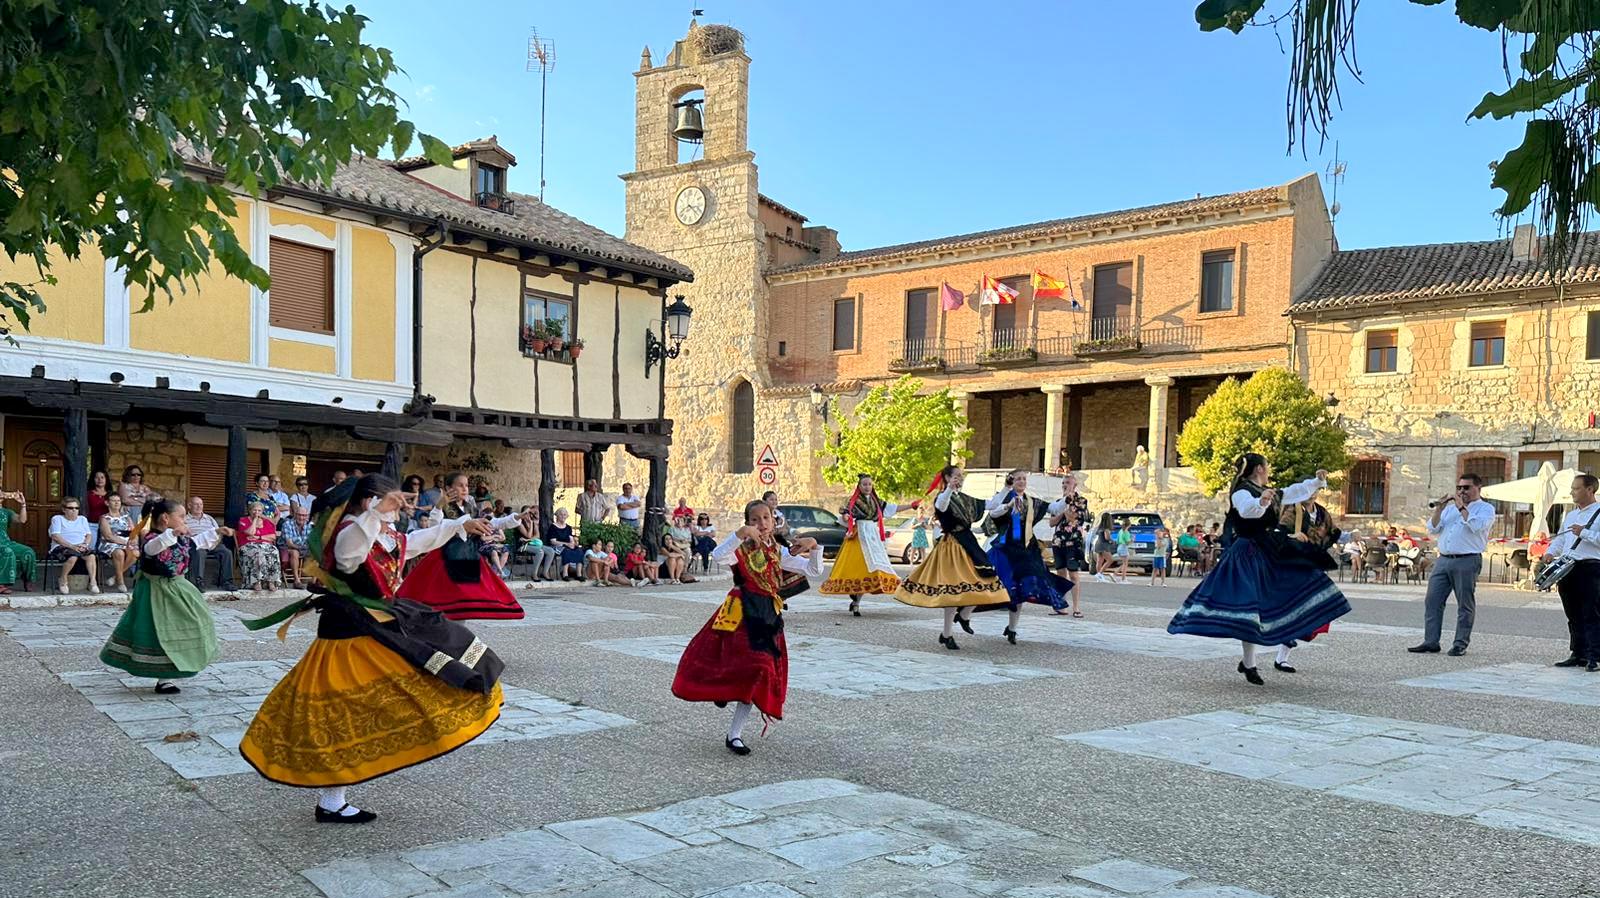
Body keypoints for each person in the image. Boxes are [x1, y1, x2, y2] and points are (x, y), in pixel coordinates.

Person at [238, 474, 504, 824]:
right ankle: (332, 801)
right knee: (344, 713)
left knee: (442, 648)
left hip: (375, 624)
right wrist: (375, 513)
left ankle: (333, 799)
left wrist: (459, 525)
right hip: (348, 633)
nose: (398, 507)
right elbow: (349, 558)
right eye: (391, 501)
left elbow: (413, 542)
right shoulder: (349, 531)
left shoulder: (382, 531)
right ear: (369, 502)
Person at [1168, 455, 1350, 685]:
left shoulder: (1269, 490)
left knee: (1299, 581)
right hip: (1246, 554)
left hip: (1267, 550)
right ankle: (1250, 664)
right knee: (1248, 610)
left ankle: (1277, 643)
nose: (1269, 469)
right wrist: (1261, 502)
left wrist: (1316, 481)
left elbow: (1294, 492)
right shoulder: (1242, 491)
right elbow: (1246, 511)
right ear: (1260, 469)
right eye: (1268, 466)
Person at [671, 499, 822, 756]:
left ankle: (734, 734)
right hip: (739, 613)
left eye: (766, 518)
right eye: (755, 520)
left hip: (766, 616)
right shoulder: (740, 548)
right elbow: (718, 555)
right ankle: (724, 691)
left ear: (774, 521)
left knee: (759, 670)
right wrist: (740, 534)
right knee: (729, 664)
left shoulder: (779, 551)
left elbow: (814, 571)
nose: (762, 524)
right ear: (748, 523)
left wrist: (815, 546)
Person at [99, 498, 224, 695]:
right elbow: (153, 548)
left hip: (178, 587)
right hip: (155, 591)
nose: (184, 520)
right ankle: (163, 678)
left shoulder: (181, 537)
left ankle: (171, 673)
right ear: (166, 518)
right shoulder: (151, 538)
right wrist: (171, 534)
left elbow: (195, 543)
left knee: (190, 623)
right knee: (160, 631)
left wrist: (216, 531)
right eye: (181, 516)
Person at [893, 466, 1008, 650]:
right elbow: (941, 506)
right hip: (951, 546)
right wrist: (948, 488)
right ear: (947, 478)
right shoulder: (942, 497)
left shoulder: (965, 499)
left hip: (969, 544)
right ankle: (947, 634)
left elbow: (991, 504)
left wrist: (1007, 489)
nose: (959, 479)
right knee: (952, 591)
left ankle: (963, 616)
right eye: (955, 476)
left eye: (960, 477)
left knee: (987, 581)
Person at [401, 471, 523, 620]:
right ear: (448, 488)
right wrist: (439, 506)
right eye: (460, 485)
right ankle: (449, 636)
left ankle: (456, 636)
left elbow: (490, 522)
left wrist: (514, 518)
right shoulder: (444, 507)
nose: (465, 489)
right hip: (447, 557)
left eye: (466, 485)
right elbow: (434, 527)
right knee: (446, 601)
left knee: (464, 603)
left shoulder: (470, 508)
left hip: (467, 555)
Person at [1408, 472, 1497, 657]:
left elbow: (1475, 526)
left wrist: (1461, 506)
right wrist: (1439, 509)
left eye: (1466, 488)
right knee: (1432, 600)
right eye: (1459, 488)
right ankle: (1431, 641)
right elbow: (1433, 528)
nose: (1462, 491)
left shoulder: (1485, 509)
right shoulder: (1449, 510)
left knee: (1464, 603)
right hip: (1444, 559)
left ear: (1478, 488)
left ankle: (1460, 643)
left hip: (1467, 560)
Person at [982, 469, 1072, 642]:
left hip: (1026, 548)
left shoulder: (1031, 502)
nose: (1022, 481)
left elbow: (1054, 507)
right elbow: (993, 512)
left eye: (1024, 479)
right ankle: (966, 613)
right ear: (1011, 481)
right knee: (992, 582)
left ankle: (1012, 628)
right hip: (1006, 548)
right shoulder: (1005, 498)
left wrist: (1066, 499)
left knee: (1023, 587)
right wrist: (1008, 506)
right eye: (1018, 479)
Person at [1272, 488, 1343, 672]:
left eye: (1315, 490)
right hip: (1294, 563)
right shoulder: (1292, 509)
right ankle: (1282, 644)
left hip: (1312, 562)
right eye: (1308, 490)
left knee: (1313, 606)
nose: (1312, 494)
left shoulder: (1322, 512)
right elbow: (1279, 532)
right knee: (1292, 605)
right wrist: (1292, 536)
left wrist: (1321, 545)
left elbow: (1332, 532)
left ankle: (1282, 656)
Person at [820, 474, 912, 615]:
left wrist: (910, 505)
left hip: (872, 536)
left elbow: (892, 508)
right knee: (860, 568)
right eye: (864, 484)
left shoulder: (876, 501)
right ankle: (856, 600)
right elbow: (846, 514)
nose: (867, 487)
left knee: (874, 568)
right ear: (859, 486)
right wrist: (847, 517)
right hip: (859, 536)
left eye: (869, 484)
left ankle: (856, 600)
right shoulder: (853, 501)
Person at [1550, 473, 1600, 671]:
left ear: (1590, 490)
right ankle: (1577, 653)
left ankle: (1595, 656)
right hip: (1568, 567)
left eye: (1576, 488)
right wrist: (1549, 552)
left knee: (1592, 613)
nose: (1572, 492)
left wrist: (1584, 532)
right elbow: (1561, 539)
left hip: (1591, 567)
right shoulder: (1571, 515)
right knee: (1573, 614)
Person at [1050, 474, 1090, 616]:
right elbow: (1052, 522)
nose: (1065, 485)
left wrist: (1067, 504)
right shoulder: (1058, 502)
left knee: (1073, 575)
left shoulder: (1081, 501)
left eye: (1068, 483)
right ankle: (1061, 606)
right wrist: (1062, 509)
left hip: (1072, 542)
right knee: (1061, 574)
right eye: (1063, 483)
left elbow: (1072, 517)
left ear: (1074, 485)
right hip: (1058, 541)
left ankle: (1076, 607)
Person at [48, 497, 99, 595]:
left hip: (80, 546)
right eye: (71, 508)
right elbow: (56, 536)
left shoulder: (82, 519)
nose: (74, 510)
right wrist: (72, 546)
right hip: (61, 546)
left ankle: (93, 582)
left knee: (91, 556)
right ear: (64, 509)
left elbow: (88, 535)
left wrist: (85, 544)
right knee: (73, 557)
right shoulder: (57, 519)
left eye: (76, 508)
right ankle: (63, 580)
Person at [184, 497, 236, 590]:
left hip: (213, 544)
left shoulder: (209, 518)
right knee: (199, 553)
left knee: (226, 552)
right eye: (196, 504)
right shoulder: (185, 519)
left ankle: (227, 582)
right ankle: (198, 582)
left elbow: (219, 533)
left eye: (201, 504)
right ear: (189, 506)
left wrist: (216, 542)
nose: (199, 506)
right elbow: (183, 536)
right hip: (197, 545)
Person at [237, 501, 283, 591]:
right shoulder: (243, 521)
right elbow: (250, 532)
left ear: (262, 512)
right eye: (254, 510)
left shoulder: (267, 522)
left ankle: (271, 581)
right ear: (249, 511)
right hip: (248, 546)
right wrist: (254, 520)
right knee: (259, 553)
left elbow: (273, 537)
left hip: (265, 545)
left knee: (274, 551)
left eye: (259, 510)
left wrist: (259, 537)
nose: (257, 512)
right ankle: (256, 581)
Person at [96, 493, 137, 593]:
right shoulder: (104, 518)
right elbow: (108, 536)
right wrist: (124, 542)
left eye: (118, 500)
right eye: (113, 500)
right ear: (107, 503)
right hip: (109, 543)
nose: (116, 503)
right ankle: (120, 582)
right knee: (119, 553)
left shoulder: (127, 517)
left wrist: (133, 540)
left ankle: (114, 577)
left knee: (135, 553)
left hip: (126, 542)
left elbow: (134, 532)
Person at [0, 490, 37, 594]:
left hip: (5, 541)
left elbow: (22, 520)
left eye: (1, 493)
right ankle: (1, 584)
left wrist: (23, 504)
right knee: (7, 552)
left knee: (28, 552)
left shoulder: (7, 512)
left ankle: (28, 579)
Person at [279, 504, 312, 589]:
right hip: (286, 548)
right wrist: (304, 548)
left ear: (307, 516)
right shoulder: (287, 524)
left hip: (303, 548)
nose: (302, 518)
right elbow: (289, 544)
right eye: (299, 515)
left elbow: (311, 542)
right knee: (295, 552)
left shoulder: (309, 525)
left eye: (304, 515)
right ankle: (297, 581)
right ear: (295, 514)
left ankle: (315, 582)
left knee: (319, 553)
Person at [547, 507, 584, 580]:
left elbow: (571, 539)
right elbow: (553, 541)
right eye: (561, 514)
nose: (563, 516)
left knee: (579, 550)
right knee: (566, 551)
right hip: (556, 546)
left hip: (567, 545)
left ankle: (578, 574)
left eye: (564, 515)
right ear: (557, 516)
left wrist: (573, 544)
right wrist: (566, 544)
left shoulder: (568, 527)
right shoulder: (553, 527)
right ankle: (565, 573)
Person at [662, 512, 698, 583]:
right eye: (678, 520)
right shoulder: (672, 529)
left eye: (681, 520)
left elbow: (690, 539)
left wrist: (685, 541)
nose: (679, 522)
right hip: (676, 545)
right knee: (674, 557)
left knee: (687, 550)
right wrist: (679, 540)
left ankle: (684, 569)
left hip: (684, 545)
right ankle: (674, 577)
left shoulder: (687, 530)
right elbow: (671, 538)